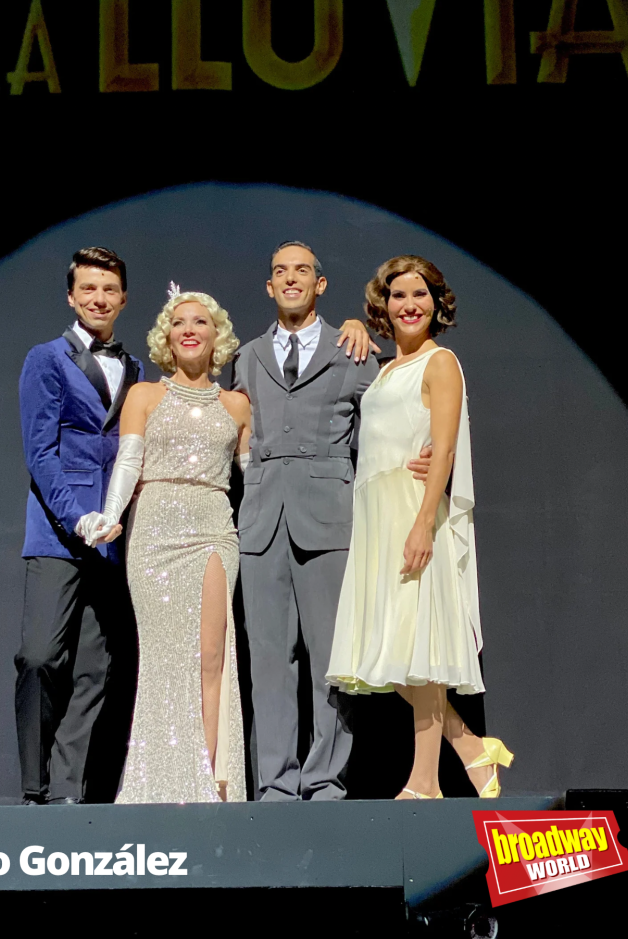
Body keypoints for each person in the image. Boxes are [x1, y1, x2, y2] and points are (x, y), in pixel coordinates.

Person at [231, 242, 432, 801]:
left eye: (302, 271)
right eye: (280, 272)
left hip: (330, 519)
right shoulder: (246, 357)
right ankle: (274, 783)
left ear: (319, 285)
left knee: (331, 659)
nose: (290, 279)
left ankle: (324, 780)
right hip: (262, 520)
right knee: (269, 660)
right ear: (269, 288)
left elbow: (396, 412)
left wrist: (430, 447)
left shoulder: (354, 351)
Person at [327, 255, 514, 800]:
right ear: (384, 304)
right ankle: (472, 748)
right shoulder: (385, 369)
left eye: (420, 295)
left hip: (410, 509)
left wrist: (422, 523)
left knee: (420, 647)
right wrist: (353, 326)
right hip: (376, 516)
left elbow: (446, 447)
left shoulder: (441, 362)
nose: (410, 305)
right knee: (392, 649)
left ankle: (425, 780)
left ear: (437, 304)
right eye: (398, 295)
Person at [78, 288, 252, 803]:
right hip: (155, 532)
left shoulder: (237, 405)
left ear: (216, 336)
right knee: (162, 656)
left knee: (212, 654)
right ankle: (162, 780)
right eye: (180, 322)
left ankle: (213, 778)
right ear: (167, 338)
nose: (190, 329)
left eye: (201, 321)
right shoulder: (144, 396)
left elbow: (259, 480)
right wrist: (109, 517)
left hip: (215, 528)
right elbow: (129, 462)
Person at [15, 247, 144, 805]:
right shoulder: (46, 358)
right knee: (41, 656)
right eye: (88, 289)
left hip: (115, 540)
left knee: (97, 669)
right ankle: (34, 786)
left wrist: (115, 518)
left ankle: (70, 789)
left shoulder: (135, 368)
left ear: (122, 299)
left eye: (109, 290)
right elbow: (40, 453)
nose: (99, 299)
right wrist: (79, 516)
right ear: (72, 296)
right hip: (59, 533)